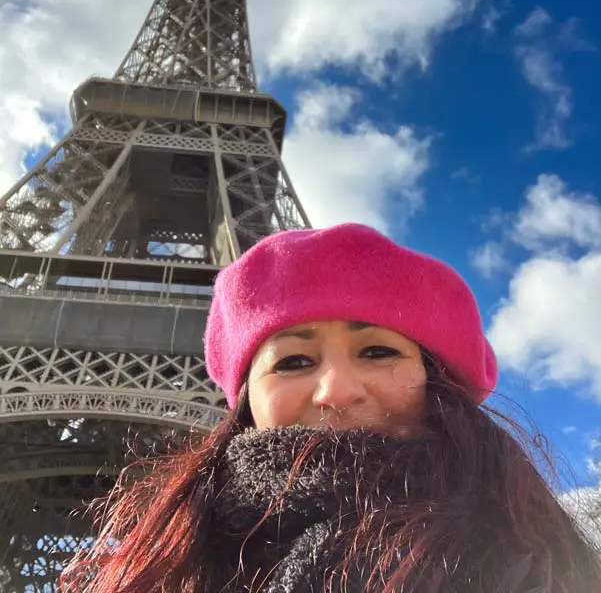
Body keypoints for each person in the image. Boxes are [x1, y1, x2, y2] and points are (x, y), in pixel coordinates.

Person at [61, 223, 601, 592]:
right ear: (248, 403)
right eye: (293, 362)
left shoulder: (551, 570)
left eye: (378, 351)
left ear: (438, 384)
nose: (336, 390)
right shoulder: (164, 566)